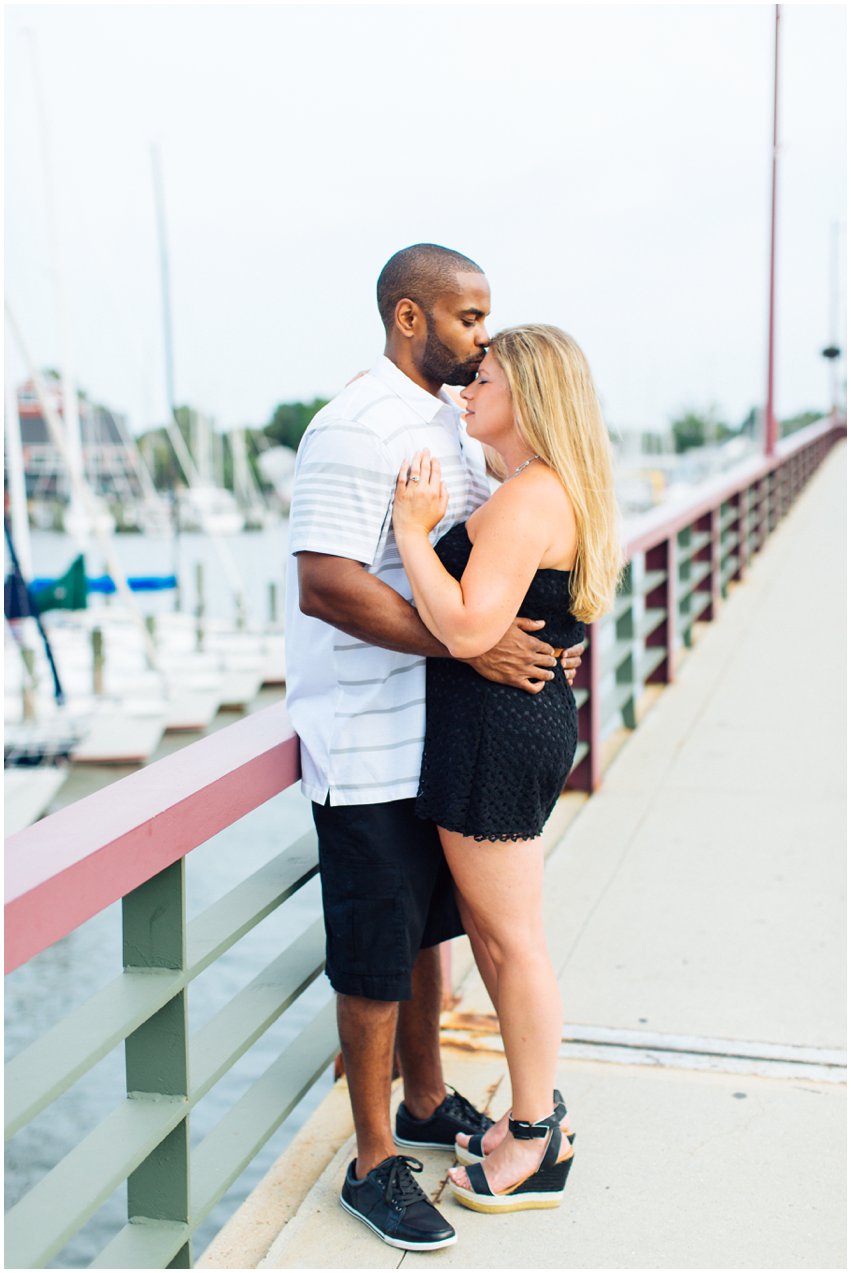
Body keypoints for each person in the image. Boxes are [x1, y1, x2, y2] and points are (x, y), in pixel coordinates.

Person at [284, 245, 584, 1251]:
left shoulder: (452, 431)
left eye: (487, 323)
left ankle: (423, 1101)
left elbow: (489, 563)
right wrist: (472, 644)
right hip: (365, 737)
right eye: (467, 319)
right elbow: (325, 581)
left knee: (427, 936)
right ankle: (372, 1160)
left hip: (443, 735)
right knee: (373, 956)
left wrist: (487, 641)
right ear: (409, 317)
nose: (481, 339)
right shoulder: (356, 424)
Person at [391, 324, 620, 1213]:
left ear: (525, 389)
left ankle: (537, 1134)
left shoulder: (528, 499)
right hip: (503, 725)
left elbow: (465, 629)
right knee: (496, 936)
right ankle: (534, 1117)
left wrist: (414, 531)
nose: (462, 388)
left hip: (492, 731)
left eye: (479, 376)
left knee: (509, 941)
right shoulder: (538, 489)